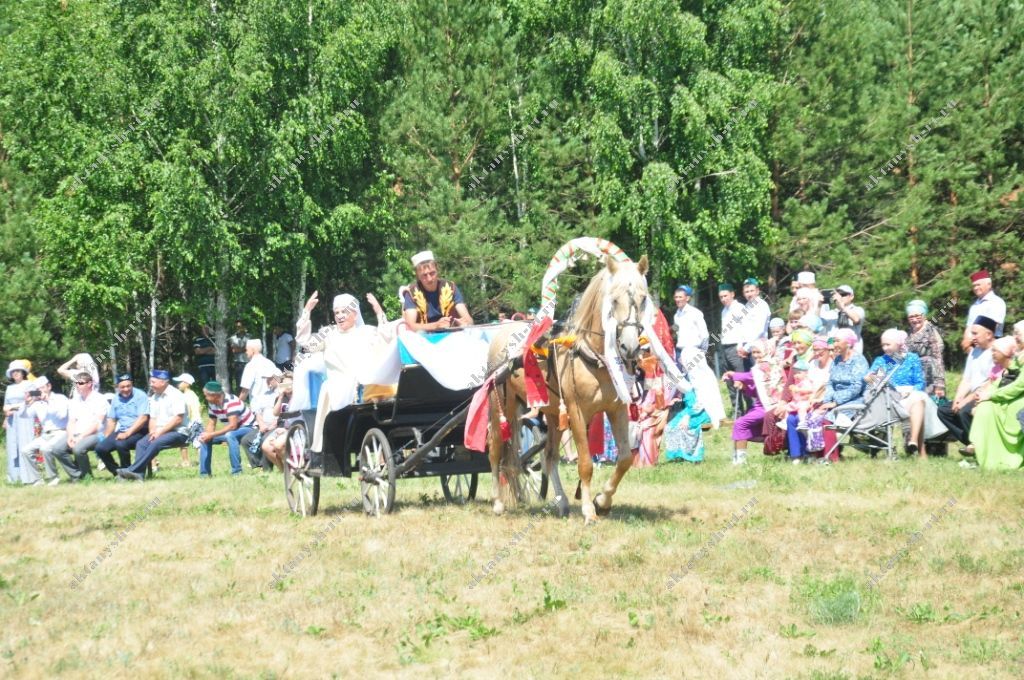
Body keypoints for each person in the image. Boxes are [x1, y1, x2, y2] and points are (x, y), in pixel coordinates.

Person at [297, 291, 396, 461]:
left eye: (345, 312)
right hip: (337, 389)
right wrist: (306, 312)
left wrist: (379, 312)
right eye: (337, 312)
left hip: (364, 386)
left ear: (355, 314)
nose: (340, 316)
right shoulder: (328, 334)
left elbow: (388, 339)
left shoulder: (367, 332)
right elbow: (306, 343)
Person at [866, 329, 945, 457]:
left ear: (898, 344)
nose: (885, 348)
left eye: (888, 344)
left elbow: (919, 382)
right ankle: (920, 450)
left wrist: (910, 392)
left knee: (919, 401)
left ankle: (913, 442)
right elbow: (873, 381)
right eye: (883, 345)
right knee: (918, 402)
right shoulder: (882, 361)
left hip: (910, 394)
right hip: (889, 397)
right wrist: (871, 377)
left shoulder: (912, 358)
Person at [116, 370, 189, 482]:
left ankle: (132, 470)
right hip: (161, 432)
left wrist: (159, 433)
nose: (151, 385)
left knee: (156, 442)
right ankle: (139, 475)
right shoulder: (155, 397)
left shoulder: (176, 395)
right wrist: (152, 432)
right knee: (141, 443)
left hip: (178, 432)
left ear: (163, 382)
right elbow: (153, 418)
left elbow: (178, 419)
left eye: (153, 382)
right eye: (151, 382)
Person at [938, 316, 997, 454]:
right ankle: (971, 443)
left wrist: (965, 401)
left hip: (987, 396)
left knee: (964, 411)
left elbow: (990, 382)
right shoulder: (974, 352)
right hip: (971, 396)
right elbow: (967, 379)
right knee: (944, 411)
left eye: (975, 333)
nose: (972, 337)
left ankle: (979, 445)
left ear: (989, 334)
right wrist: (958, 398)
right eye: (972, 333)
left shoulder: (996, 351)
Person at [722, 341, 782, 465]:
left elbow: (749, 375)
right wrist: (744, 386)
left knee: (740, 424)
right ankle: (739, 457)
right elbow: (756, 392)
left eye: (758, 352)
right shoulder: (761, 367)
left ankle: (740, 460)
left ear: (767, 351)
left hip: (768, 406)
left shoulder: (767, 365)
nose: (755, 355)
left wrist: (732, 374)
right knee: (745, 427)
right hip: (761, 405)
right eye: (753, 352)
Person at [673, 285, 724, 428]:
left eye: (680, 297)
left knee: (704, 382)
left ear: (687, 298)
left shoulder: (695, 313)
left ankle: (712, 414)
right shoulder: (677, 315)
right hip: (684, 351)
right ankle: (699, 415)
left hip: (695, 350)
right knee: (693, 383)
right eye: (676, 297)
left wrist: (702, 352)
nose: (678, 300)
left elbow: (705, 335)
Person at [969, 336, 1023, 470]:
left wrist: (991, 395)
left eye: (1018, 334)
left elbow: (1018, 386)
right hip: (1008, 396)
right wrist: (984, 394)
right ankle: (980, 449)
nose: (1015, 337)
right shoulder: (1018, 359)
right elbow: (1002, 380)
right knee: (984, 406)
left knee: (990, 406)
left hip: (1018, 399)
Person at [817, 328, 869, 463]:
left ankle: (831, 458)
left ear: (849, 343)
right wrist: (827, 399)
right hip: (834, 399)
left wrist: (836, 402)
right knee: (815, 414)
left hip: (855, 400)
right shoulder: (837, 360)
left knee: (827, 421)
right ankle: (817, 454)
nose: (834, 345)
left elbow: (857, 387)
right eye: (833, 341)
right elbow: (830, 383)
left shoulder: (858, 360)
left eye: (837, 341)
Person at [51, 371, 108, 482]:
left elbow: (97, 424)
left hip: (96, 434)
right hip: (77, 433)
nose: (77, 385)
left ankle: (87, 477)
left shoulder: (100, 399)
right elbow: (71, 422)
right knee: (57, 449)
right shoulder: (74, 401)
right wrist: (70, 436)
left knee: (78, 449)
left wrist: (80, 437)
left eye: (81, 383)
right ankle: (77, 476)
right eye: (76, 383)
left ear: (90, 384)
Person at [196, 381, 257, 477]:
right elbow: (212, 423)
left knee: (230, 435)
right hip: (234, 429)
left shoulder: (231, 402)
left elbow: (233, 426)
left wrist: (211, 434)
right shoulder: (212, 403)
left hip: (249, 428)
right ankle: (205, 474)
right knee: (204, 438)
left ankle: (237, 471)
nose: (205, 398)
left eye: (207, 395)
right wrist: (206, 435)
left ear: (215, 395)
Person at [93, 373, 150, 477]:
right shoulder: (116, 399)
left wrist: (127, 434)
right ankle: (118, 472)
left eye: (128, 386)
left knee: (121, 444)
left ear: (132, 384)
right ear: (117, 387)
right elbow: (112, 420)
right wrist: (106, 436)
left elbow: (143, 419)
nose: (126, 389)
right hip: (122, 430)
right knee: (100, 448)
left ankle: (127, 471)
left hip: (140, 431)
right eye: (123, 387)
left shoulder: (141, 395)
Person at [401, 250, 473, 331]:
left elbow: (469, 320)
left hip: (451, 336)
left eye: (432, 273)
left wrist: (465, 324)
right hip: (423, 339)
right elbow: (409, 326)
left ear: (437, 270)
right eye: (424, 275)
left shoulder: (451, 288)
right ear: (417, 275)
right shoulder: (411, 292)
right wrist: (435, 325)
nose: (429, 278)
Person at [22, 377, 68, 485]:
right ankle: (37, 479)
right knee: (25, 450)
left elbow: (62, 415)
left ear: (49, 386)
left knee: (45, 448)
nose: (40, 390)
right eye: (38, 389)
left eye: (42, 387)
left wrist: (48, 401)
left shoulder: (60, 398)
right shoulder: (38, 403)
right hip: (45, 435)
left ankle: (53, 477)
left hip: (61, 431)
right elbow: (25, 415)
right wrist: (26, 402)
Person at [241, 367, 283, 470]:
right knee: (246, 440)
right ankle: (258, 464)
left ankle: (266, 469)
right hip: (263, 425)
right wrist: (261, 424)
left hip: (277, 425)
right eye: (266, 379)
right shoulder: (263, 394)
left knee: (265, 440)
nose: (267, 381)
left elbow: (283, 412)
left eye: (269, 379)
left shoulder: (283, 393)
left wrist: (273, 424)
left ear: (276, 378)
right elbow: (258, 412)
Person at [4, 360, 36, 484]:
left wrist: (14, 407)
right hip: (12, 420)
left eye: (17, 371)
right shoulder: (9, 388)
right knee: (13, 446)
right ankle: (14, 477)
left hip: (25, 418)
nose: (15, 373)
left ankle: (28, 477)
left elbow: (34, 398)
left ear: (23, 372)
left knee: (25, 444)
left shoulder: (30, 385)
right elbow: (6, 406)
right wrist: (7, 414)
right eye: (13, 372)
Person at [905, 299, 946, 399]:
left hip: (930, 377)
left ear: (924, 316)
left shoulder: (930, 331)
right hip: (914, 376)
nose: (914, 320)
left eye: (917, 316)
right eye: (911, 317)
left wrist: (939, 384)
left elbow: (937, 358)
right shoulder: (909, 333)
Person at [718, 283, 748, 415]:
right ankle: (738, 412)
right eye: (721, 297)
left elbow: (744, 328)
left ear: (732, 294)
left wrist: (741, 345)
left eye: (725, 296)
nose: (723, 299)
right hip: (725, 347)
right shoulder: (724, 311)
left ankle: (750, 409)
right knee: (730, 381)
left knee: (741, 379)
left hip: (737, 346)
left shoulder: (739, 308)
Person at [260, 374, 299, 471]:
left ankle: (291, 469)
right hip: (280, 426)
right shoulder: (281, 398)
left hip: (293, 427)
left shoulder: (299, 397)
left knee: (277, 445)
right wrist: (281, 396)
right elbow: (276, 413)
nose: (287, 386)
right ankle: (283, 470)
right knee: (266, 447)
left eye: (289, 383)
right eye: (284, 384)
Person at [961, 269, 1006, 351]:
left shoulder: (997, 302)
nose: (975, 288)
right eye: (974, 286)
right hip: (974, 347)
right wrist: (967, 344)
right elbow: (969, 328)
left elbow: (993, 326)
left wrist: (972, 339)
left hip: (992, 346)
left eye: (978, 285)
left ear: (989, 284)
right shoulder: (974, 306)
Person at [821, 285, 865, 354]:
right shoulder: (830, 313)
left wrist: (842, 306)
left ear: (851, 296)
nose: (840, 297)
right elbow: (817, 326)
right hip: (834, 352)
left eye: (843, 294)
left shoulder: (858, 310)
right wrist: (817, 304)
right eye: (837, 294)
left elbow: (856, 319)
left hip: (853, 351)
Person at [737, 278, 771, 366]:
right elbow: (741, 328)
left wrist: (746, 348)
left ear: (757, 291)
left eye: (752, 290)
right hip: (746, 348)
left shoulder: (762, 305)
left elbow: (759, 330)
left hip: (758, 348)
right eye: (747, 291)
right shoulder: (746, 307)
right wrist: (740, 346)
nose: (749, 294)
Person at [237, 339, 278, 403]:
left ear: (253, 350)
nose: (246, 352)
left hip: (258, 407)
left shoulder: (250, 366)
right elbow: (279, 380)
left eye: (247, 349)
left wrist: (236, 405)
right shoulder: (270, 363)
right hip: (272, 405)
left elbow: (245, 390)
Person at [174, 373, 201, 467]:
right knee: (184, 442)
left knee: (197, 442)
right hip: (195, 421)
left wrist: (187, 421)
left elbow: (188, 409)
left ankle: (202, 461)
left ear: (187, 383)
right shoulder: (191, 394)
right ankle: (185, 461)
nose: (178, 384)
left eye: (180, 382)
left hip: (192, 422)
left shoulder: (187, 395)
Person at [228, 320, 250, 394]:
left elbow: (249, 348)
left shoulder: (249, 336)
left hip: (248, 362)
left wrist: (240, 348)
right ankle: (240, 398)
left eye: (240, 326)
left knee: (249, 380)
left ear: (244, 327)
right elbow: (234, 350)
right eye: (237, 326)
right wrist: (244, 348)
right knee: (239, 381)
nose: (238, 328)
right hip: (238, 363)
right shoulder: (232, 338)